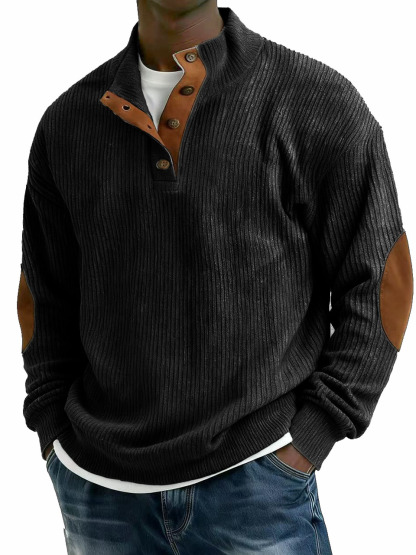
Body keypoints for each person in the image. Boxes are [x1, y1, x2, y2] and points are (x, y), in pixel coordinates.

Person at [17, 1, 413, 553]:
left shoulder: (315, 100)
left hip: (258, 487)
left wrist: (314, 435)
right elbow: (44, 300)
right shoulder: (67, 123)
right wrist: (53, 435)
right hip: (100, 497)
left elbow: (382, 283)